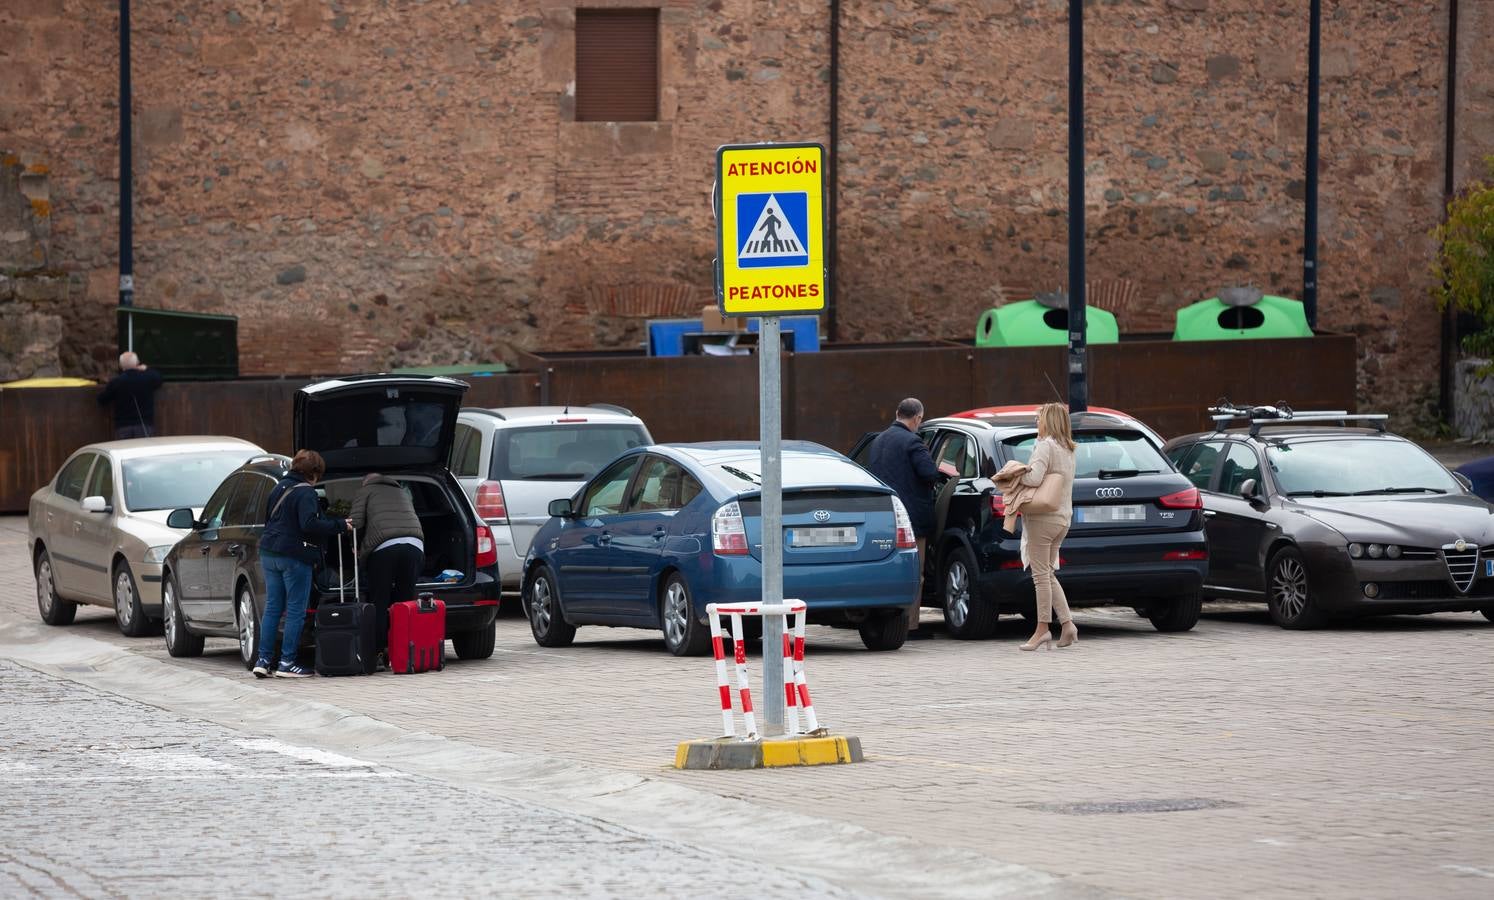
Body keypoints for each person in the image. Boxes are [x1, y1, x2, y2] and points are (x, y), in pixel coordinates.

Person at [254, 450, 351, 679]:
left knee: (273, 608)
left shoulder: (278, 487)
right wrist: (339, 525)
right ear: (314, 473)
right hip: (293, 555)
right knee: (296, 610)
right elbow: (309, 524)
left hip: (269, 552)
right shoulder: (306, 491)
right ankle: (287, 662)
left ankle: (263, 660)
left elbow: (270, 519)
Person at [864, 397, 939, 639]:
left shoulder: (878, 440)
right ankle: (910, 626)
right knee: (914, 572)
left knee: (886, 570)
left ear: (897, 413)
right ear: (917, 418)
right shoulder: (913, 442)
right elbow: (929, 474)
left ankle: (881, 623)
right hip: (911, 519)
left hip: (883, 518)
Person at [1018, 402, 1079, 652]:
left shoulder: (1045, 446)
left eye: (1038, 418)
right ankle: (1067, 625)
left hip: (1043, 518)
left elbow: (1033, 478)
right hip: (1063, 517)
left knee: (1040, 576)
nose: (1036, 422)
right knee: (1048, 574)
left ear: (1049, 421)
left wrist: (1014, 473)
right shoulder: (1069, 448)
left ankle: (1042, 629)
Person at [350, 472, 425, 668]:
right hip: (415, 545)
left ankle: (377, 654)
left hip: (384, 548)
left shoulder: (365, 490)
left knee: (380, 601)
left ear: (366, 481)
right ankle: (404, 653)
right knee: (405, 603)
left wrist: (355, 547)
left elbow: (355, 523)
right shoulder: (401, 491)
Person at [96, 352, 164, 440]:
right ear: (137, 363)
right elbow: (159, 378)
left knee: (123, 452)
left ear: (121, 365)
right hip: (144, 425)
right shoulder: (148, 378)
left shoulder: (116, 382)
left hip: (123, 427)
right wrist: (146, 368)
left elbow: (102, 400)